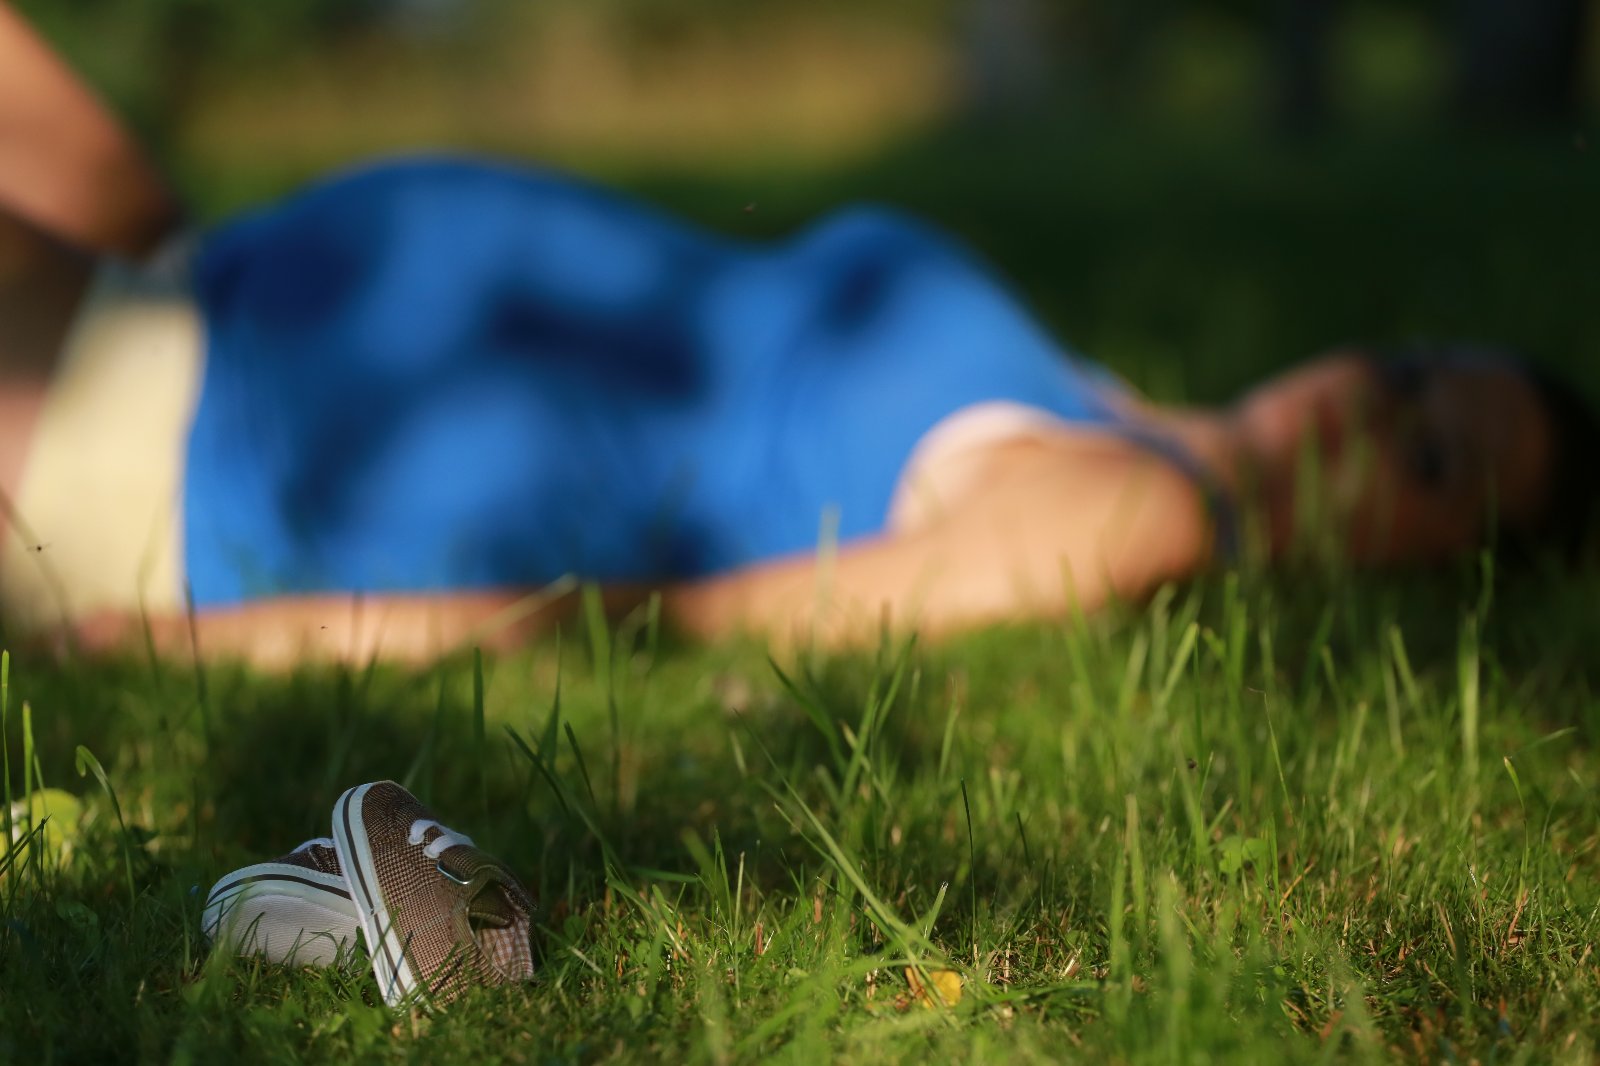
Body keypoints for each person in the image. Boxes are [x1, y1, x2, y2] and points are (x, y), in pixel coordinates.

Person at [0, 6, 1589, 668]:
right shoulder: (1108, 404)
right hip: (223, 282)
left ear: (1426, 571)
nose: (1374, 414)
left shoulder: (1144, 510)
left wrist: (249, 646)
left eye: (1432, 460)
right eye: (1407, 376)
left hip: (217, 456)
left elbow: (688, 625)